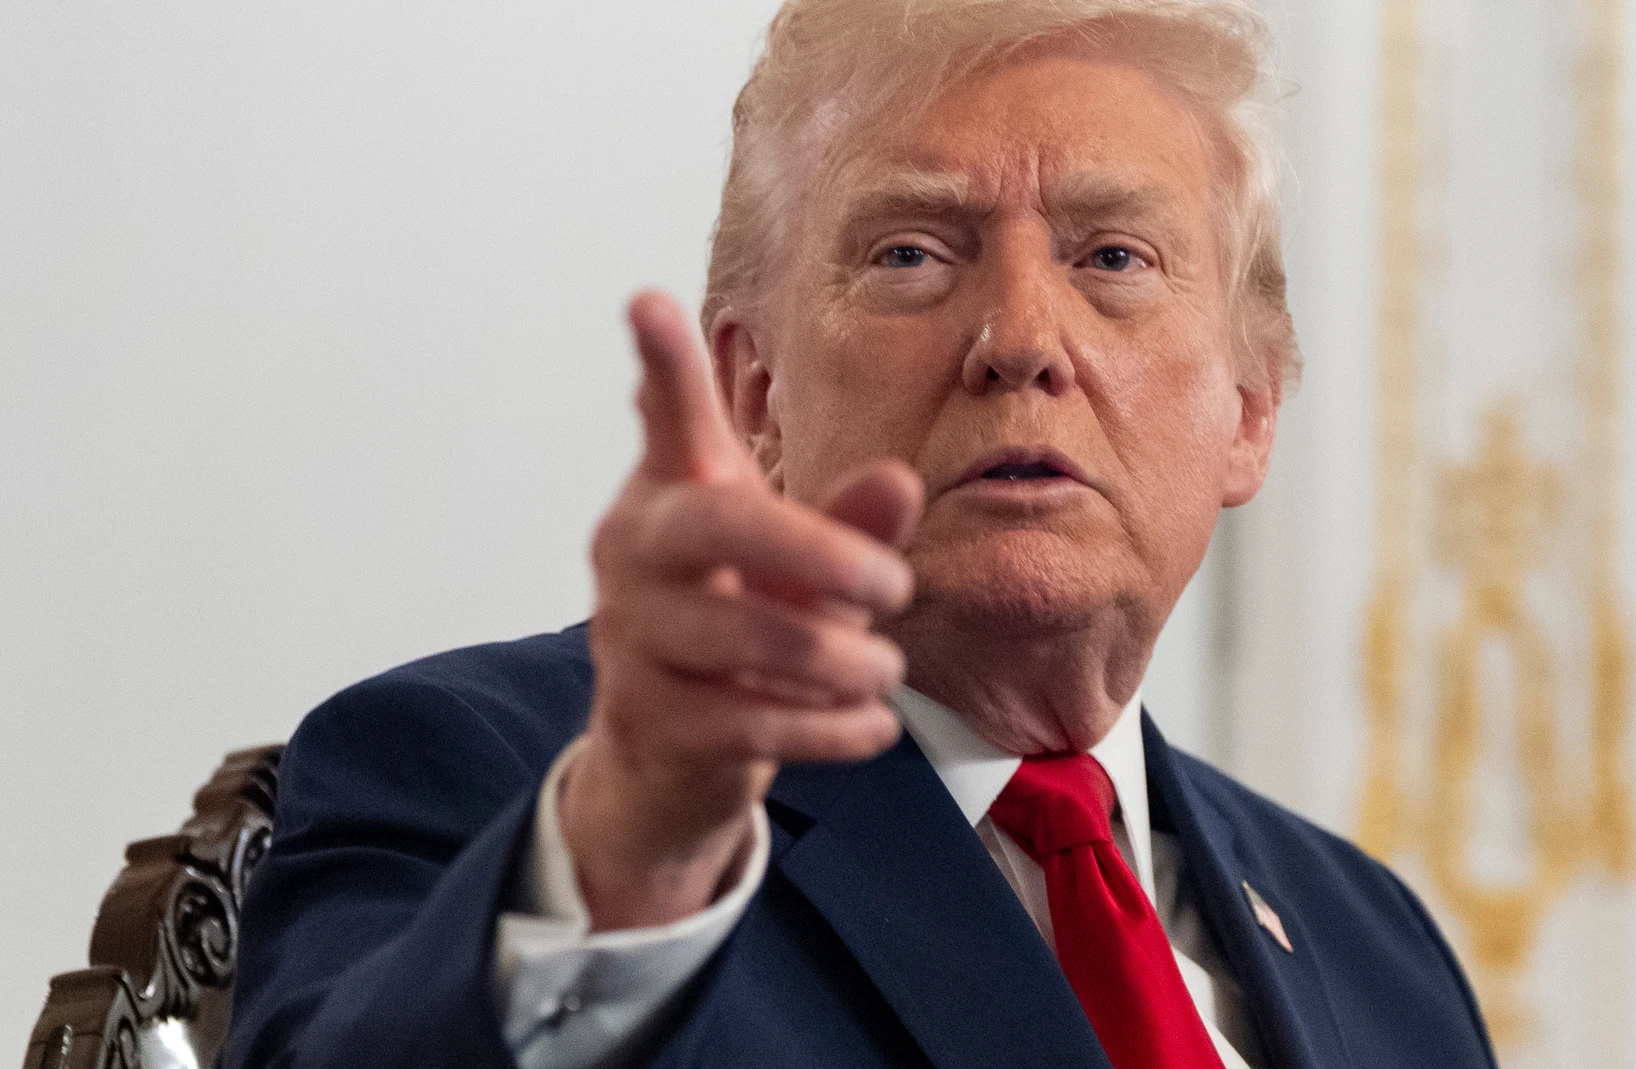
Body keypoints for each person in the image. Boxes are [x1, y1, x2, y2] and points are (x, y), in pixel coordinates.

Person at [225, 1, 1497, 1066]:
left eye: (1112, 255)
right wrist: (626, 862)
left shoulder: (1372, 945)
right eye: (908, 254)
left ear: (1251, 408)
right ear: (757, 391)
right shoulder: (490, 778)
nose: (1020, 340)